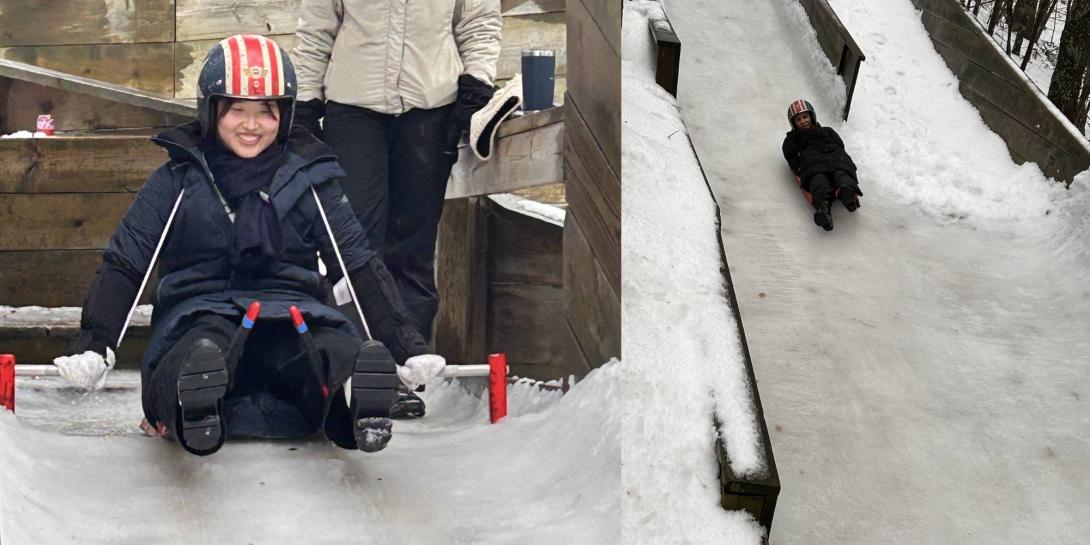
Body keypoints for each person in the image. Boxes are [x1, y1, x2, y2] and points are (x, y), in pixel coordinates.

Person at [51, 35, 446, 456]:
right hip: (201, 310)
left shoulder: (310, 180)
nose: (252, 125)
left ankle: (360, 392)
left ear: (285, 115)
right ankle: (196, 402)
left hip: (292, 316)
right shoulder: (179, 181)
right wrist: (95, 342)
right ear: (211, 111)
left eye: (266, 112)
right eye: (237, 109)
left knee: (331, 341)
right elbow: (128, 262)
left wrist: (404, 343)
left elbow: (357, 264)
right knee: (196, 347)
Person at [291, 0, 502, 418]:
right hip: (352, 109)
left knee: (413, 245)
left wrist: (477, 81)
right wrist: (305, 100)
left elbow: (478, 23)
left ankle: (406, 374)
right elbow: (317, 28)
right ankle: (354, 368)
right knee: (351, 242)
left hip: (430, 106)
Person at [781, 99, 862, 231]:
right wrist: (802, 168)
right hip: (813, 164)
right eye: (798, 119)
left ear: (812, 116)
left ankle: (847, 192)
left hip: (835, 158)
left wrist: (841, 158)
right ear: (793, 123)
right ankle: (824, 208)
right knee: (818, 181)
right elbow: (792, 159)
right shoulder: (791, 140)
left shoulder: (828, 131)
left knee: (841, 173)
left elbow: (840, 146)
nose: (803, 121)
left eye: (805, 117)